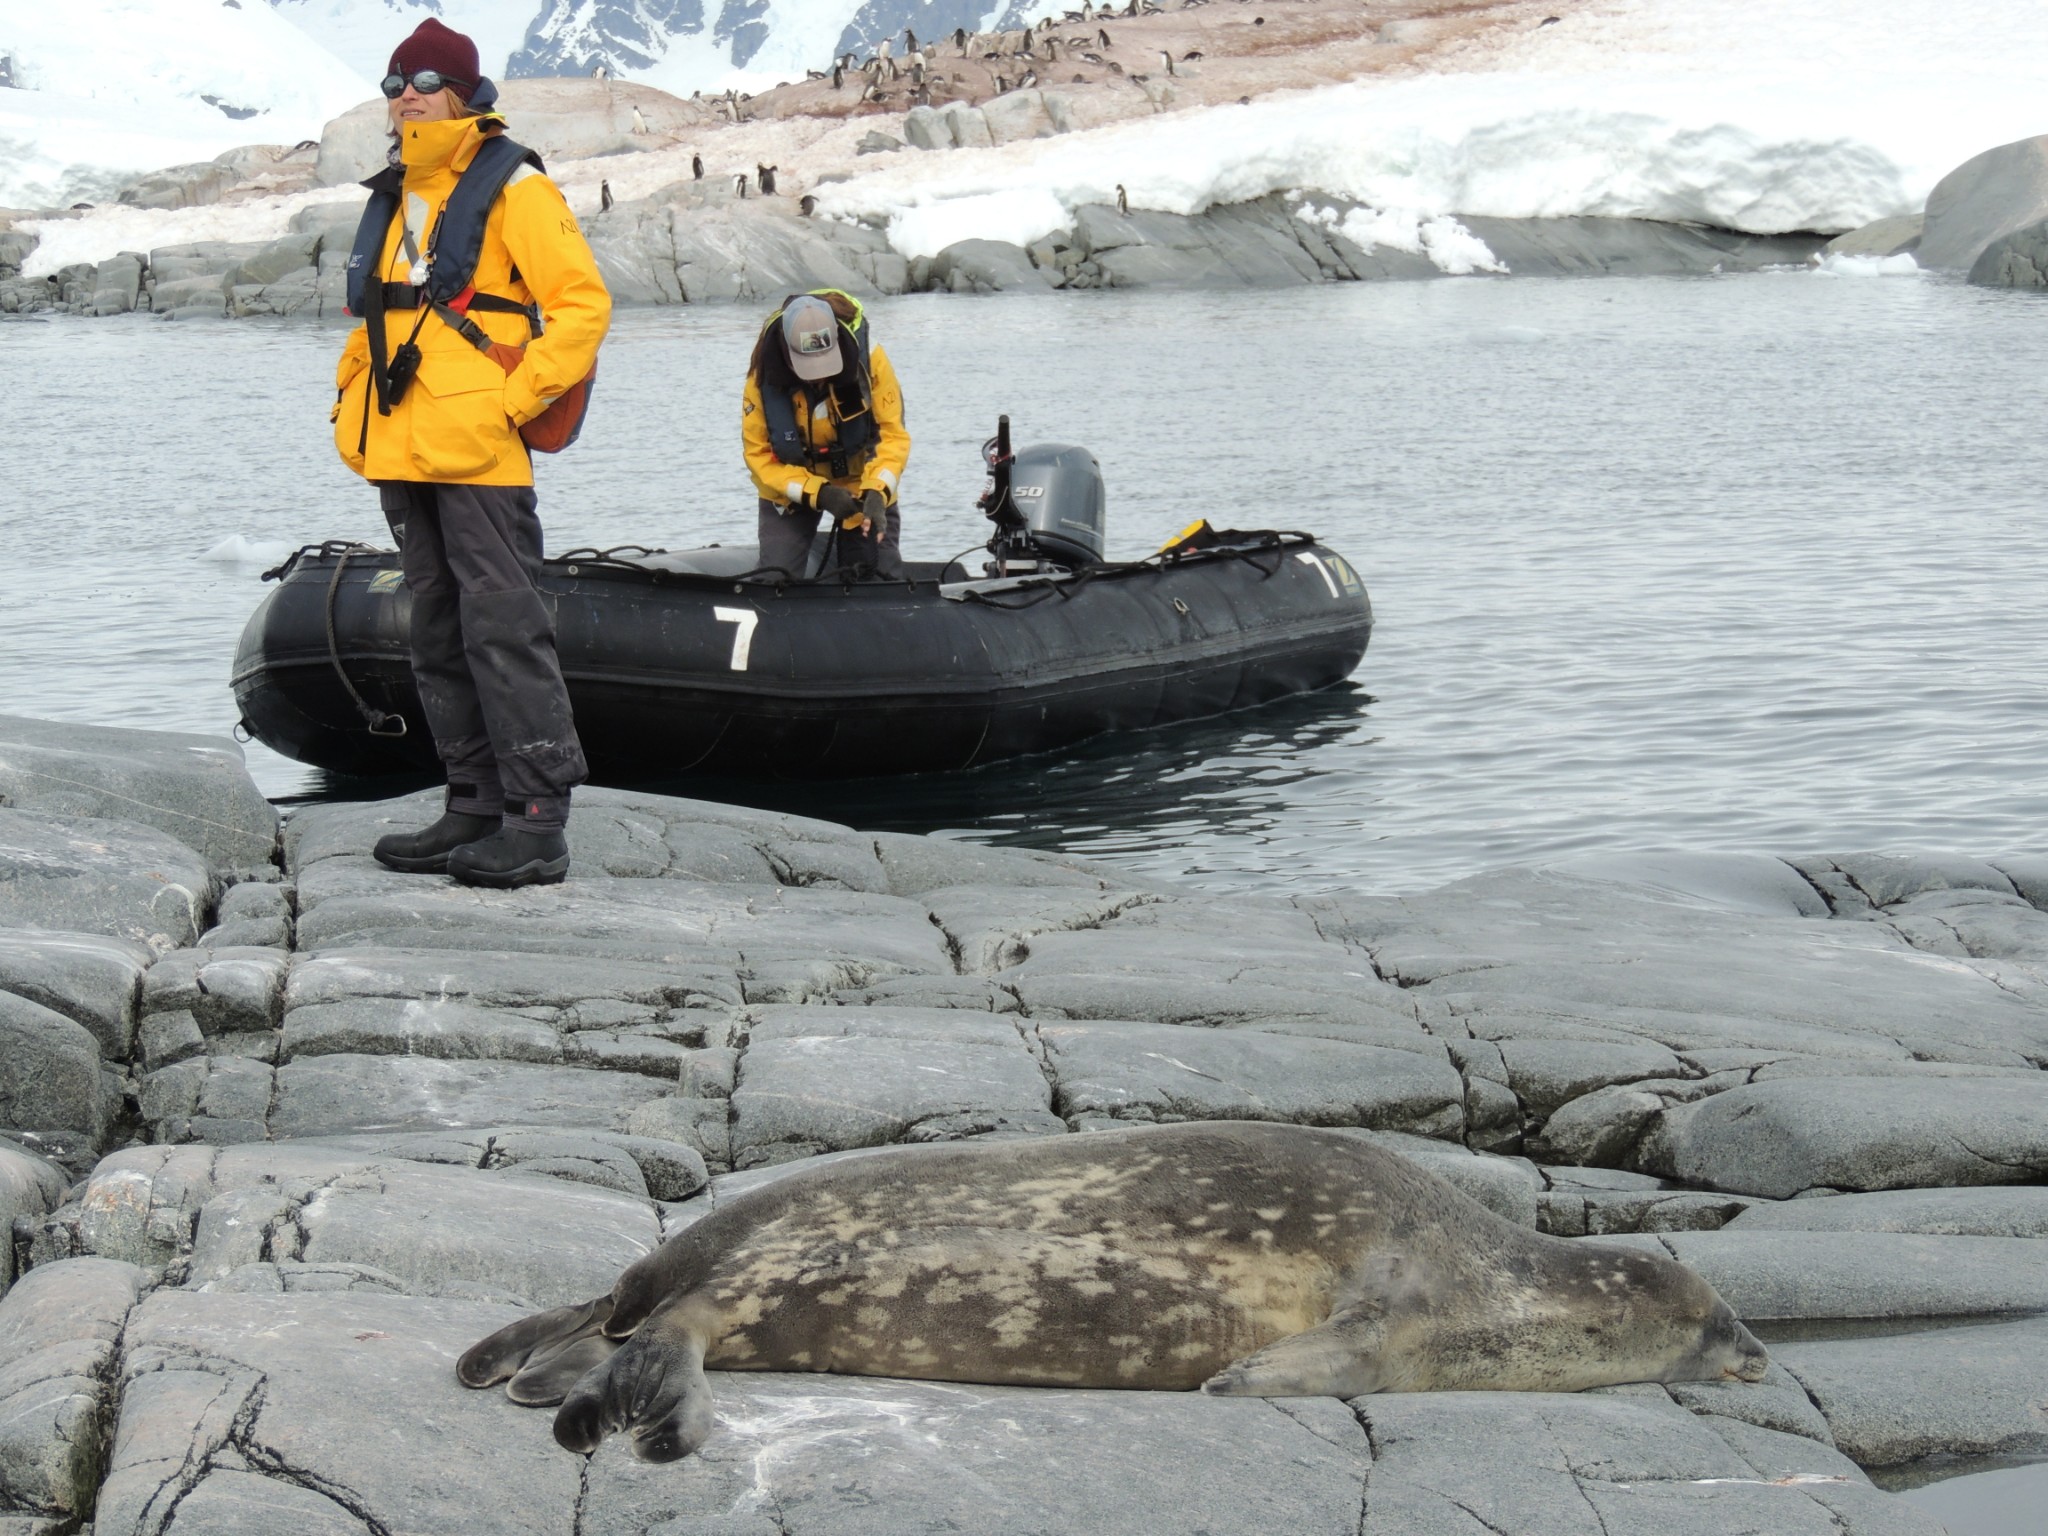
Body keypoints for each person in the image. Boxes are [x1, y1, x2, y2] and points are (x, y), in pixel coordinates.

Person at [330, 18, 610, 888]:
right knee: (437, 630)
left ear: (465, 91)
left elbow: (582, 306)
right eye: (393, 82)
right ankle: (471, 802)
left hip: (480, 453)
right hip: (403, 442)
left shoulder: (515, 186)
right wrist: (348, 399)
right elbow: (376, 313)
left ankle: (536, 823)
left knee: (504, 628)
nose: (404, 93)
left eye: (422, 79)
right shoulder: (397, 190)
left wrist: (512, 402)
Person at [743, 290, 910, 580]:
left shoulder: (870, 361)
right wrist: (819, 493)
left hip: (861, 481)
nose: (818, 375)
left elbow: (892, 437)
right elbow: (759, 457)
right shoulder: (762, 377)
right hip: (791, 485)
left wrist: (877, 491)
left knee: (876, 573)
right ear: (787, 353)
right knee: (775, 578)